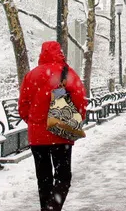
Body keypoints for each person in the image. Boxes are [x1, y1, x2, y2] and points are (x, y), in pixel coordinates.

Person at [19, 41, 87, 211]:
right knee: (63, 177)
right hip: (61, 133)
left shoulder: (31, 75)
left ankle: (46, 208)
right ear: (60, 53)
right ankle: (53, 207)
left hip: (37, 137)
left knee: (43, 178)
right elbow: (79, 100)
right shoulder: (67, 73)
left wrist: (35, 123)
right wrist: (76, 119)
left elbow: (23, 106)